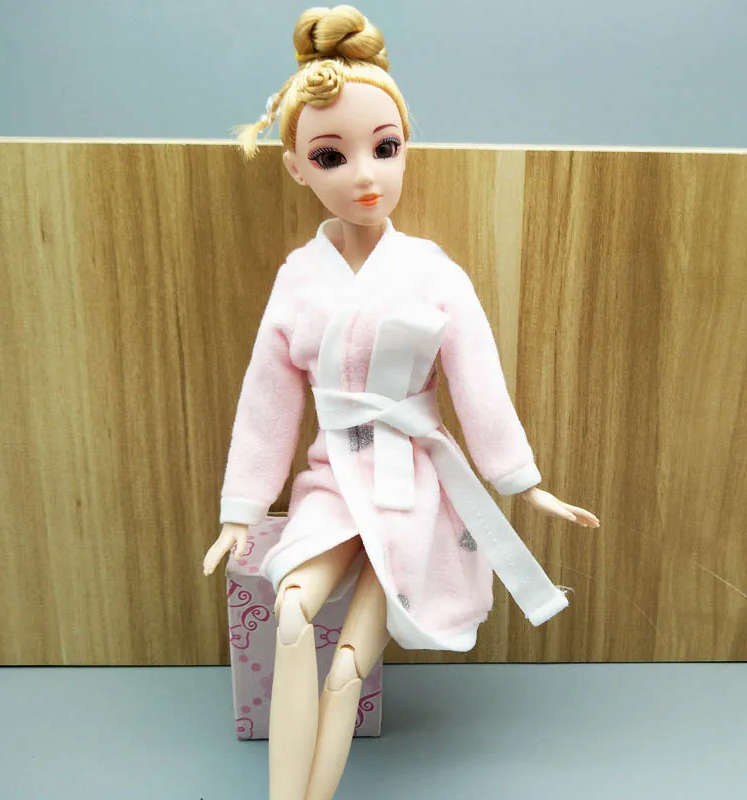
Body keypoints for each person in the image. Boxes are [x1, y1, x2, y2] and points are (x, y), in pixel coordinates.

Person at [203, 7, 599, 799]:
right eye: (331, 155)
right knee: (290, 613)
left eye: (385, 148)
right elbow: (267, 398)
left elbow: (479, 384)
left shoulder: (434, 273)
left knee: (348, 665)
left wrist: (523, 482)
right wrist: (240, 510)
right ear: (296, 168)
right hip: (331, 478)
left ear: (406, 147)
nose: (365, 175)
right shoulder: (298, 277)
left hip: (412, 486)